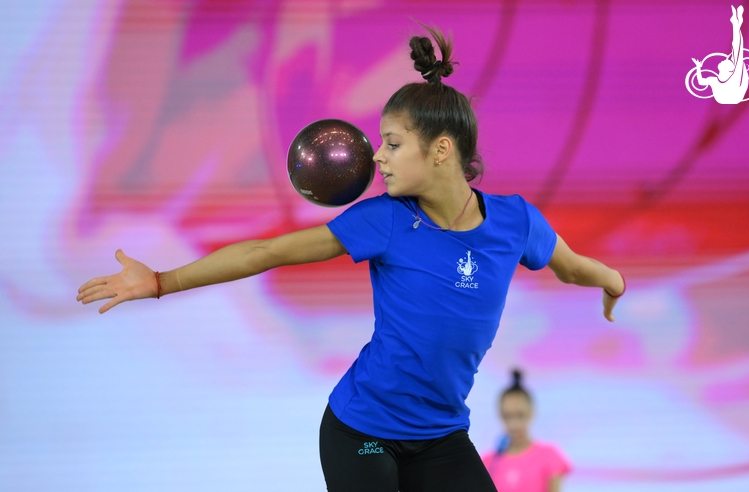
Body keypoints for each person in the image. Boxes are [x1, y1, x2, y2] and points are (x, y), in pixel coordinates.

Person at [76, 25, 625, 492]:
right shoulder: (384, 219)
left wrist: (613, 280)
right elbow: (267, 252)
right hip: (362, 428)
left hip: (440, 434)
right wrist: (162, 280)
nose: (377, 158)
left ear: (440, 151)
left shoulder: (515, 221)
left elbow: (572, 265)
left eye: (391, 143)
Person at [482, 370, 571, 492]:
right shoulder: (488, 463)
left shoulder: (550, 456)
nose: (514, 425)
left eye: (520, 415)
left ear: (531, 413)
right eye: (507, 416)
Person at [692, 5, 748, 104]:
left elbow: (737, 49)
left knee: (737, 50)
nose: (725, 59)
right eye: (729, 61)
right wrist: (698, 67)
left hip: (732, 96)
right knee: (737, 51)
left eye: (727, 61)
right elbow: (701, 82)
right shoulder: (716, 80)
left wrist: (698, 68)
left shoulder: (732, 77)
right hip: (729, 97)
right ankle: (736, 23)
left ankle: (736, 23)